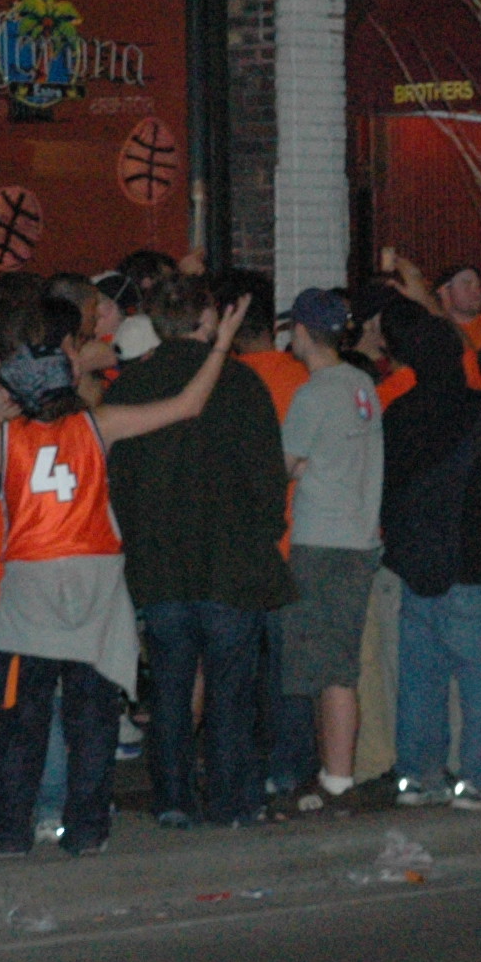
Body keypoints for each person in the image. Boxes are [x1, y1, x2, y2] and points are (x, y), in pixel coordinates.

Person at [0, 299, 248, 854]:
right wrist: (221, 345)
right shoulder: (98, 424)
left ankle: (9, 834)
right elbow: (187, 405)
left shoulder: (1, 437)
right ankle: (86, 831)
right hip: (95, 579)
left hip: (31, 583)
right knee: (93, 718)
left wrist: (0, 408)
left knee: (21, 721)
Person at [104, 274, 294, 829]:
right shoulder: (241, 383)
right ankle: (232, 799)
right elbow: (266, 472)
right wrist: (265, 530)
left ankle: (173, 797)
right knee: (231, 689)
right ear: (208, 320)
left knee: (169, 686)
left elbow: (117, 481)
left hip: (159, 563)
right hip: (232, 561)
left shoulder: (130, 387)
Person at [380, 313, 481, 809]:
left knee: (420, 679)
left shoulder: (398, 414)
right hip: (476, 561)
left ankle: (418, 776)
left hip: (416, 562)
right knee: (480, 680)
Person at [275, 289, 382, 815]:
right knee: (335, 660)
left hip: (322, 541)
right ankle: (331, 774)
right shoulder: (362, 385)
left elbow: (283, 464)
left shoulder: (313, 395)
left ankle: (337, 780)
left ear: (301, 332)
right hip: (359, 539)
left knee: (329, 668)